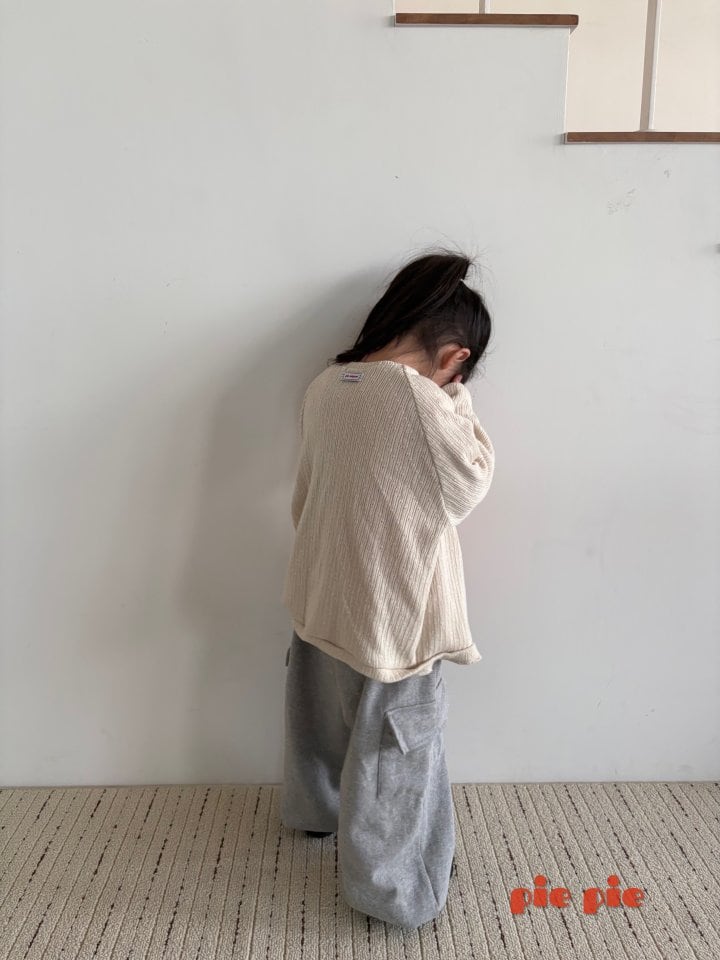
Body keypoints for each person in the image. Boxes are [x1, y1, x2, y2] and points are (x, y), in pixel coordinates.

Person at [279, 248, 495, 929]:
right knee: (397, 756)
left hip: (321, 592)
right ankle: (396, 894)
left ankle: (315, 814)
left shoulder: (326, 385)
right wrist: (455, 396)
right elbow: (470, 481)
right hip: (391, 617)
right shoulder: (423, 399)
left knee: (318, 723)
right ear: (454, 357)